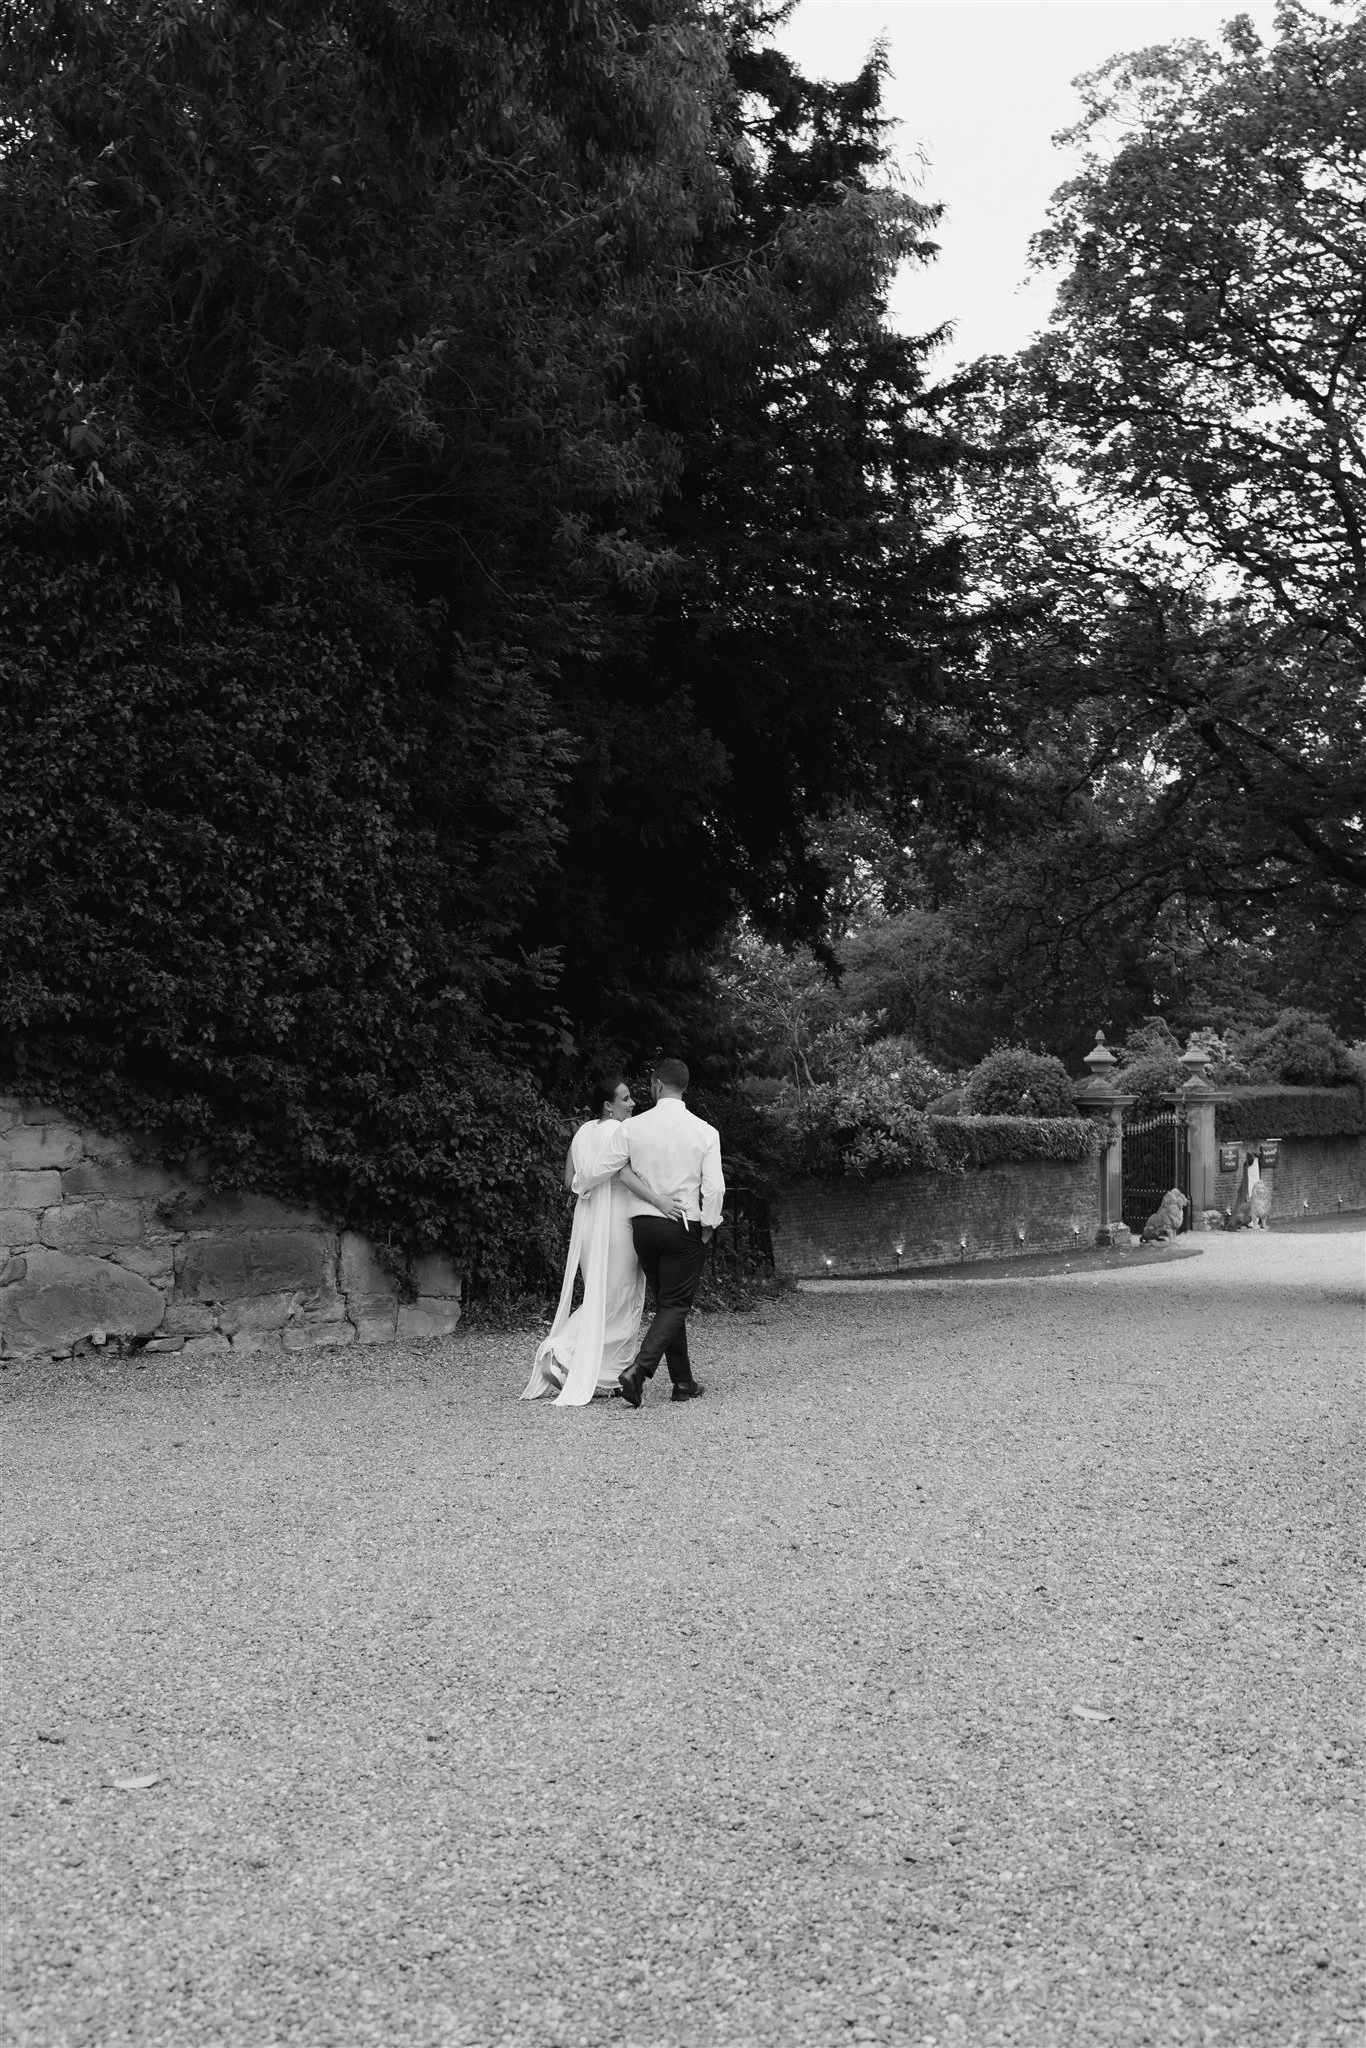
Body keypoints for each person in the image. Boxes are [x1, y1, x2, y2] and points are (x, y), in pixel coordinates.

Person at [522, 1077, 679, 1407]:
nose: (633, 1102)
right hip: (616, 1222)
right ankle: (562, 1351)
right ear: (609, 1106)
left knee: (605, 1293)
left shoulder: (581, 1132)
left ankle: (602, 1375)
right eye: (625, 1098)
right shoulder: (620, 1132)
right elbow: (627, 1176)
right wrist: (661, 1201)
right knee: (616, 1296)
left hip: (589, 1223)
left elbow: (570, 1181)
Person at [616, 1056, 725, 1408]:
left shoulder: (633, 1127)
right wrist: (708, 1224)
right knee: (676, 1304)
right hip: (683, 1226)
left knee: (667, 1305)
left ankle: (683, 1383)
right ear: (684, 1087)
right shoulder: (705, 1131)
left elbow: (623, 1172)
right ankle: (639, 1371)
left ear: (656, 1084)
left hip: (644, 1225)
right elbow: (715, 1188)